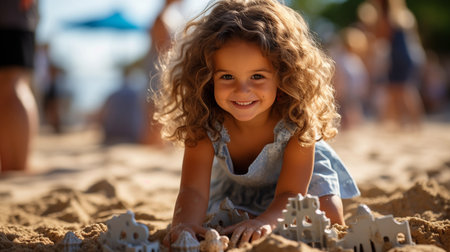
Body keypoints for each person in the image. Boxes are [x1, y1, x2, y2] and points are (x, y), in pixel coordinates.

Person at [154, 0, 360, 248]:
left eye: (257, 76)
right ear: (207, 79)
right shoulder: (205, 121)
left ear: (284, 75)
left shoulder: (297, 122)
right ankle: (256, 214)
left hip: (298, 181)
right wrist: (183, 224)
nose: (242, 91)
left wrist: (268, 221)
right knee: (216, 223)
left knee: (328, 215)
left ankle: (260, 215)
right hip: (240, 186)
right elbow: (193, 190)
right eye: (227, 76)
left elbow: (290, 193)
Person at [0, 0, 39, 173]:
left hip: (10, 16)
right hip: (13, 17)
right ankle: (15, 165)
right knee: (12, 83)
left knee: (10, 81)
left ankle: (16, 167)